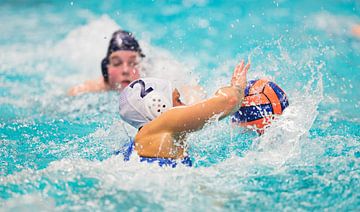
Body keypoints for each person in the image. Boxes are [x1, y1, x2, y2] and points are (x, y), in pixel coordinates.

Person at [117, 60, 250, 167]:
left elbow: (197, 107)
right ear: (158, 105)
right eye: (177, 99)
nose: (184, 105)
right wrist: (238, 87)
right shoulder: (168, 120)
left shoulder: (145, 140)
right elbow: (230, 101)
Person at [68, 30, 145, 96]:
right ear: (106, 69)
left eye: (133, 63)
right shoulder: (95, 88)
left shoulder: (149, 82)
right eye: (117, 63)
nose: (125, 70)